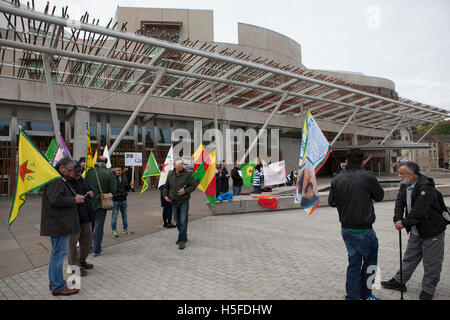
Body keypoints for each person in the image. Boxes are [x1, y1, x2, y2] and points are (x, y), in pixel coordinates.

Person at [381, 161, 447, 300]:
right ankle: (399, 281)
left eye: (401, 173)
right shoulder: (405, 184)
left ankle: (428, 290)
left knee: (432, 263)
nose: (399, 175)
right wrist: (397, 219)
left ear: (411, 175)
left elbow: (420, 211)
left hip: (431, 231)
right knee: (409, 258)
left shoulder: (426, 187)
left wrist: (403, 223)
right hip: (416, 230)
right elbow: (399, 203)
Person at [328, 148, 384, 300]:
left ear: (346, 162)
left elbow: (331, 202)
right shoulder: (367, 177)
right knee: (370, 263)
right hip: (364, 229)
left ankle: (352, 296)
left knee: (353, 263)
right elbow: (380, 196)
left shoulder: (337, 179)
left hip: (346, 228)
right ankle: (366, 295)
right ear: (363, 162)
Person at [41, 157, 84, 296]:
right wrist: (73, 200)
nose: (72, 172)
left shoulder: (58, 179)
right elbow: (55, 199)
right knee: (59, 255)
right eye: (70, 170)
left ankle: (54, 281)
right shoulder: (57, 180)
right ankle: (58, 286)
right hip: (58, 224)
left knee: (56, 254)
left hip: (57, 223)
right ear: (61, 168)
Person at [67, 161, 95, 277]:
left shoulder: (82, 180)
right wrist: (74, 199)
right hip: (73, 218)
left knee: (87, 240)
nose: (78, 173)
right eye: (76, 171)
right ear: (70, 172)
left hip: (86, 215)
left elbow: (91, 190)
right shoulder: (66, 183)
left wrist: (91, 192)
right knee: (72, 244)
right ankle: (74, 266)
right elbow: (62, 199)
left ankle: (82, 260)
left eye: (79, 171)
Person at [85, 156, 117, 257]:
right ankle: (97, 249)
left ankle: (87, 247)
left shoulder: (89, 172)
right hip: (101, 202)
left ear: (97, 162)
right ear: (106, 163)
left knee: (90, 226)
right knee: (99, 226)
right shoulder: (108, 173)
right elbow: (113, 189)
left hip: (89, 202)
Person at [163, 159, 197, 250]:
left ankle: (182, 240)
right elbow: (166, 186)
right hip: (173, 201)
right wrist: (165, 195)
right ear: (174, 165)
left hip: (184, 201)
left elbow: (194, 186)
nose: (181, 165)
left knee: (183, 221)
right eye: (178, 164)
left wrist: (185, 190)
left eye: (182, 163)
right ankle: (184, 236)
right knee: (177, 221)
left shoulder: (188, 174)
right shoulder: (170, 174)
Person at [111, 167, 134, 238]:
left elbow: (127, 189)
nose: (117, 172)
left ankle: (125, 228)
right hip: (116, 200)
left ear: (122, 171)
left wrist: (131, 185)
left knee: (124, 216)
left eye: (119, 170)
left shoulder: (124, 179)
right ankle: (114, 230)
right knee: (114, 216)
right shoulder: (112, 179)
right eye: (116, 170)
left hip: (123, 200)